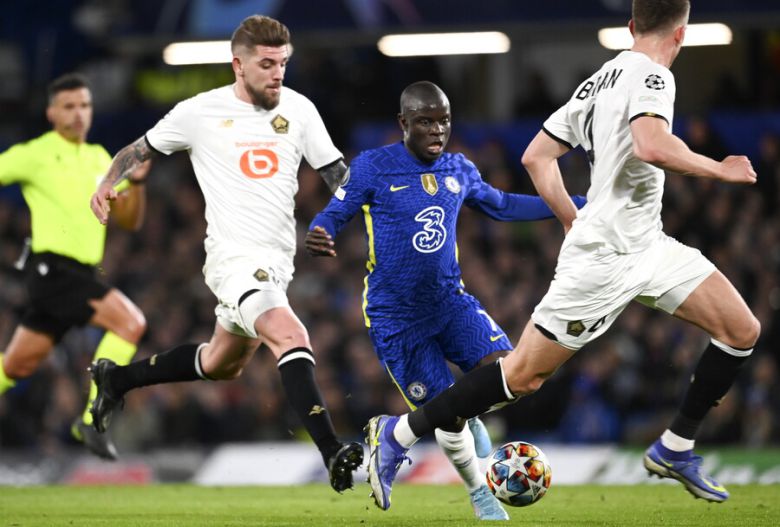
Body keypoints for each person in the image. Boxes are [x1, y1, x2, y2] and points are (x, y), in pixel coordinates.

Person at [366, 0, 759, 507]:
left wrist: (572, 217)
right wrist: (719, 168)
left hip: (647, 244)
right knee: (521, 376)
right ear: (681, 34)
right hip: (604, 259)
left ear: (631, 25)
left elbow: (537, 156)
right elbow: (651, 145)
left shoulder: (599, 81)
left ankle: (676, 446)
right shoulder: (655, 77)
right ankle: (398, 433)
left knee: (740, 330)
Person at [87, 15, 363, 492]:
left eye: (283, 63)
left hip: (277, 264)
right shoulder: (199, 112)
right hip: (234, 261)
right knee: (291, 334)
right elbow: (139, 149)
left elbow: (337, 174)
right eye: (267, 64)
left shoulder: (299, 109)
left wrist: (361, 211)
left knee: (221, 364)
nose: (278, 73)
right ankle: (331, 449)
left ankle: (116, 380)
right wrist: (108, 182)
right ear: (238, 65)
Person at [304, 81, 585, 518]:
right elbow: (333, 213)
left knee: (508, 370)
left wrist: (573, 203)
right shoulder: (374, 167)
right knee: (446, 418)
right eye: (425, 122)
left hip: (450, 301)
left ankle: (453, 414)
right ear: (403, 123)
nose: (437, 130)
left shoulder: (459, 168)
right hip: (396, 316)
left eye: (444, 121)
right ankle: (479, 492)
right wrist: (320, 231)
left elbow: (502, 205)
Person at [0, 73, 149, 460]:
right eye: (68, 106)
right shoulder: (35, 153)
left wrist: (138, 184)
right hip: (52, 271)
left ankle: (89, 419)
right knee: (131, 323)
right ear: (51, 113)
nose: (78, 113)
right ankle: (91, 420)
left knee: (15, 366)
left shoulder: (101, 158)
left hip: (79, 275)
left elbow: (129, 220)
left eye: (84, 105)